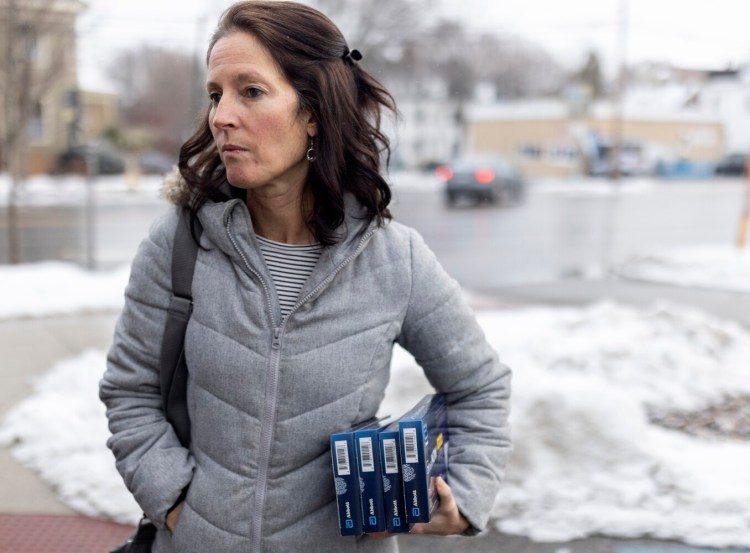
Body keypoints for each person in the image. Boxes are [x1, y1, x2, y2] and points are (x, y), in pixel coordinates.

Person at [99, 2, 512, 552]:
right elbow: (131, 391)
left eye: (251, 91)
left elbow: (479, 388)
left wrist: (465, 494)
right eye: (215, 94)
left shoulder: (395, 260)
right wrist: (180, 508)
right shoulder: (180, 243)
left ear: (313, 111)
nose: (221, 116)